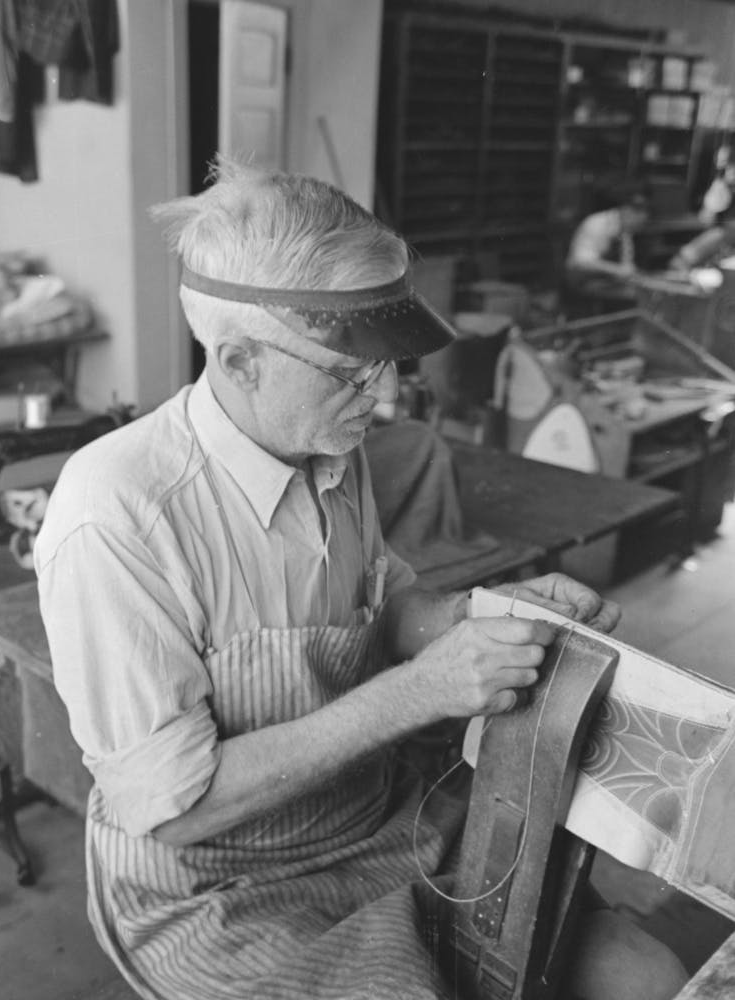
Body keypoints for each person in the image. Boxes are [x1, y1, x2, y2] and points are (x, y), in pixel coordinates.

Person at [34, 159, 687, 1000]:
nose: (381, 396)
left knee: (649, 975)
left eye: (385, 361)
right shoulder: (115, 513)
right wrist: (422, 692)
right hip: (220, 887)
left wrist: (471, 617)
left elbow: (380, 609)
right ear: (240, 363)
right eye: (348, 371)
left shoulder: (327, 445)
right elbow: (178, 808)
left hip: (372, 822)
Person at [565, 185, 650, 309]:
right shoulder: (596, 224)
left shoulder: (625, 231)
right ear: (626, 211)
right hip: (581, 279)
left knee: (643, 292)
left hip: (606, 279)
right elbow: (581, 261)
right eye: (639, 223)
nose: (639, 228)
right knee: (633, 297)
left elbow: (627, 264)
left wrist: (632, 273)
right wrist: (617, 270)